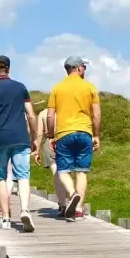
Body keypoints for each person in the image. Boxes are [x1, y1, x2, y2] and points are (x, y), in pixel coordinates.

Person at [0, 55, 39, 231]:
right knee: (23, 176)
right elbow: (31, 115)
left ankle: (5, 218)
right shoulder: (20, 88)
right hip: (20, 137)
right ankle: (25, 210)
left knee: (0, 177)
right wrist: (34, 137)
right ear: (9, 69)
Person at [47, 55, 101, 220]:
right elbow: (97, 114)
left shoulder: (57, 88)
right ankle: (78, 209)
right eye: (84, 67)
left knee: (63, 171)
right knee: (81, 172)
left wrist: (50, 136)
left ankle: (72, 193)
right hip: (85, 133)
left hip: (64, 133)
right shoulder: (90, 87)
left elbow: (50, 115)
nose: (85, 69)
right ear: (78, 68)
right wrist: (96, 134)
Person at [35, 106, 67, 215]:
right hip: (65, 141)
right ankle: (72, 199)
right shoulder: (65, 111)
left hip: (49, 142)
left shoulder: (43, 113)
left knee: (56, 173)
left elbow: (39, 134)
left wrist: (37, 151)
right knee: (66, 174)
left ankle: (62, 204)